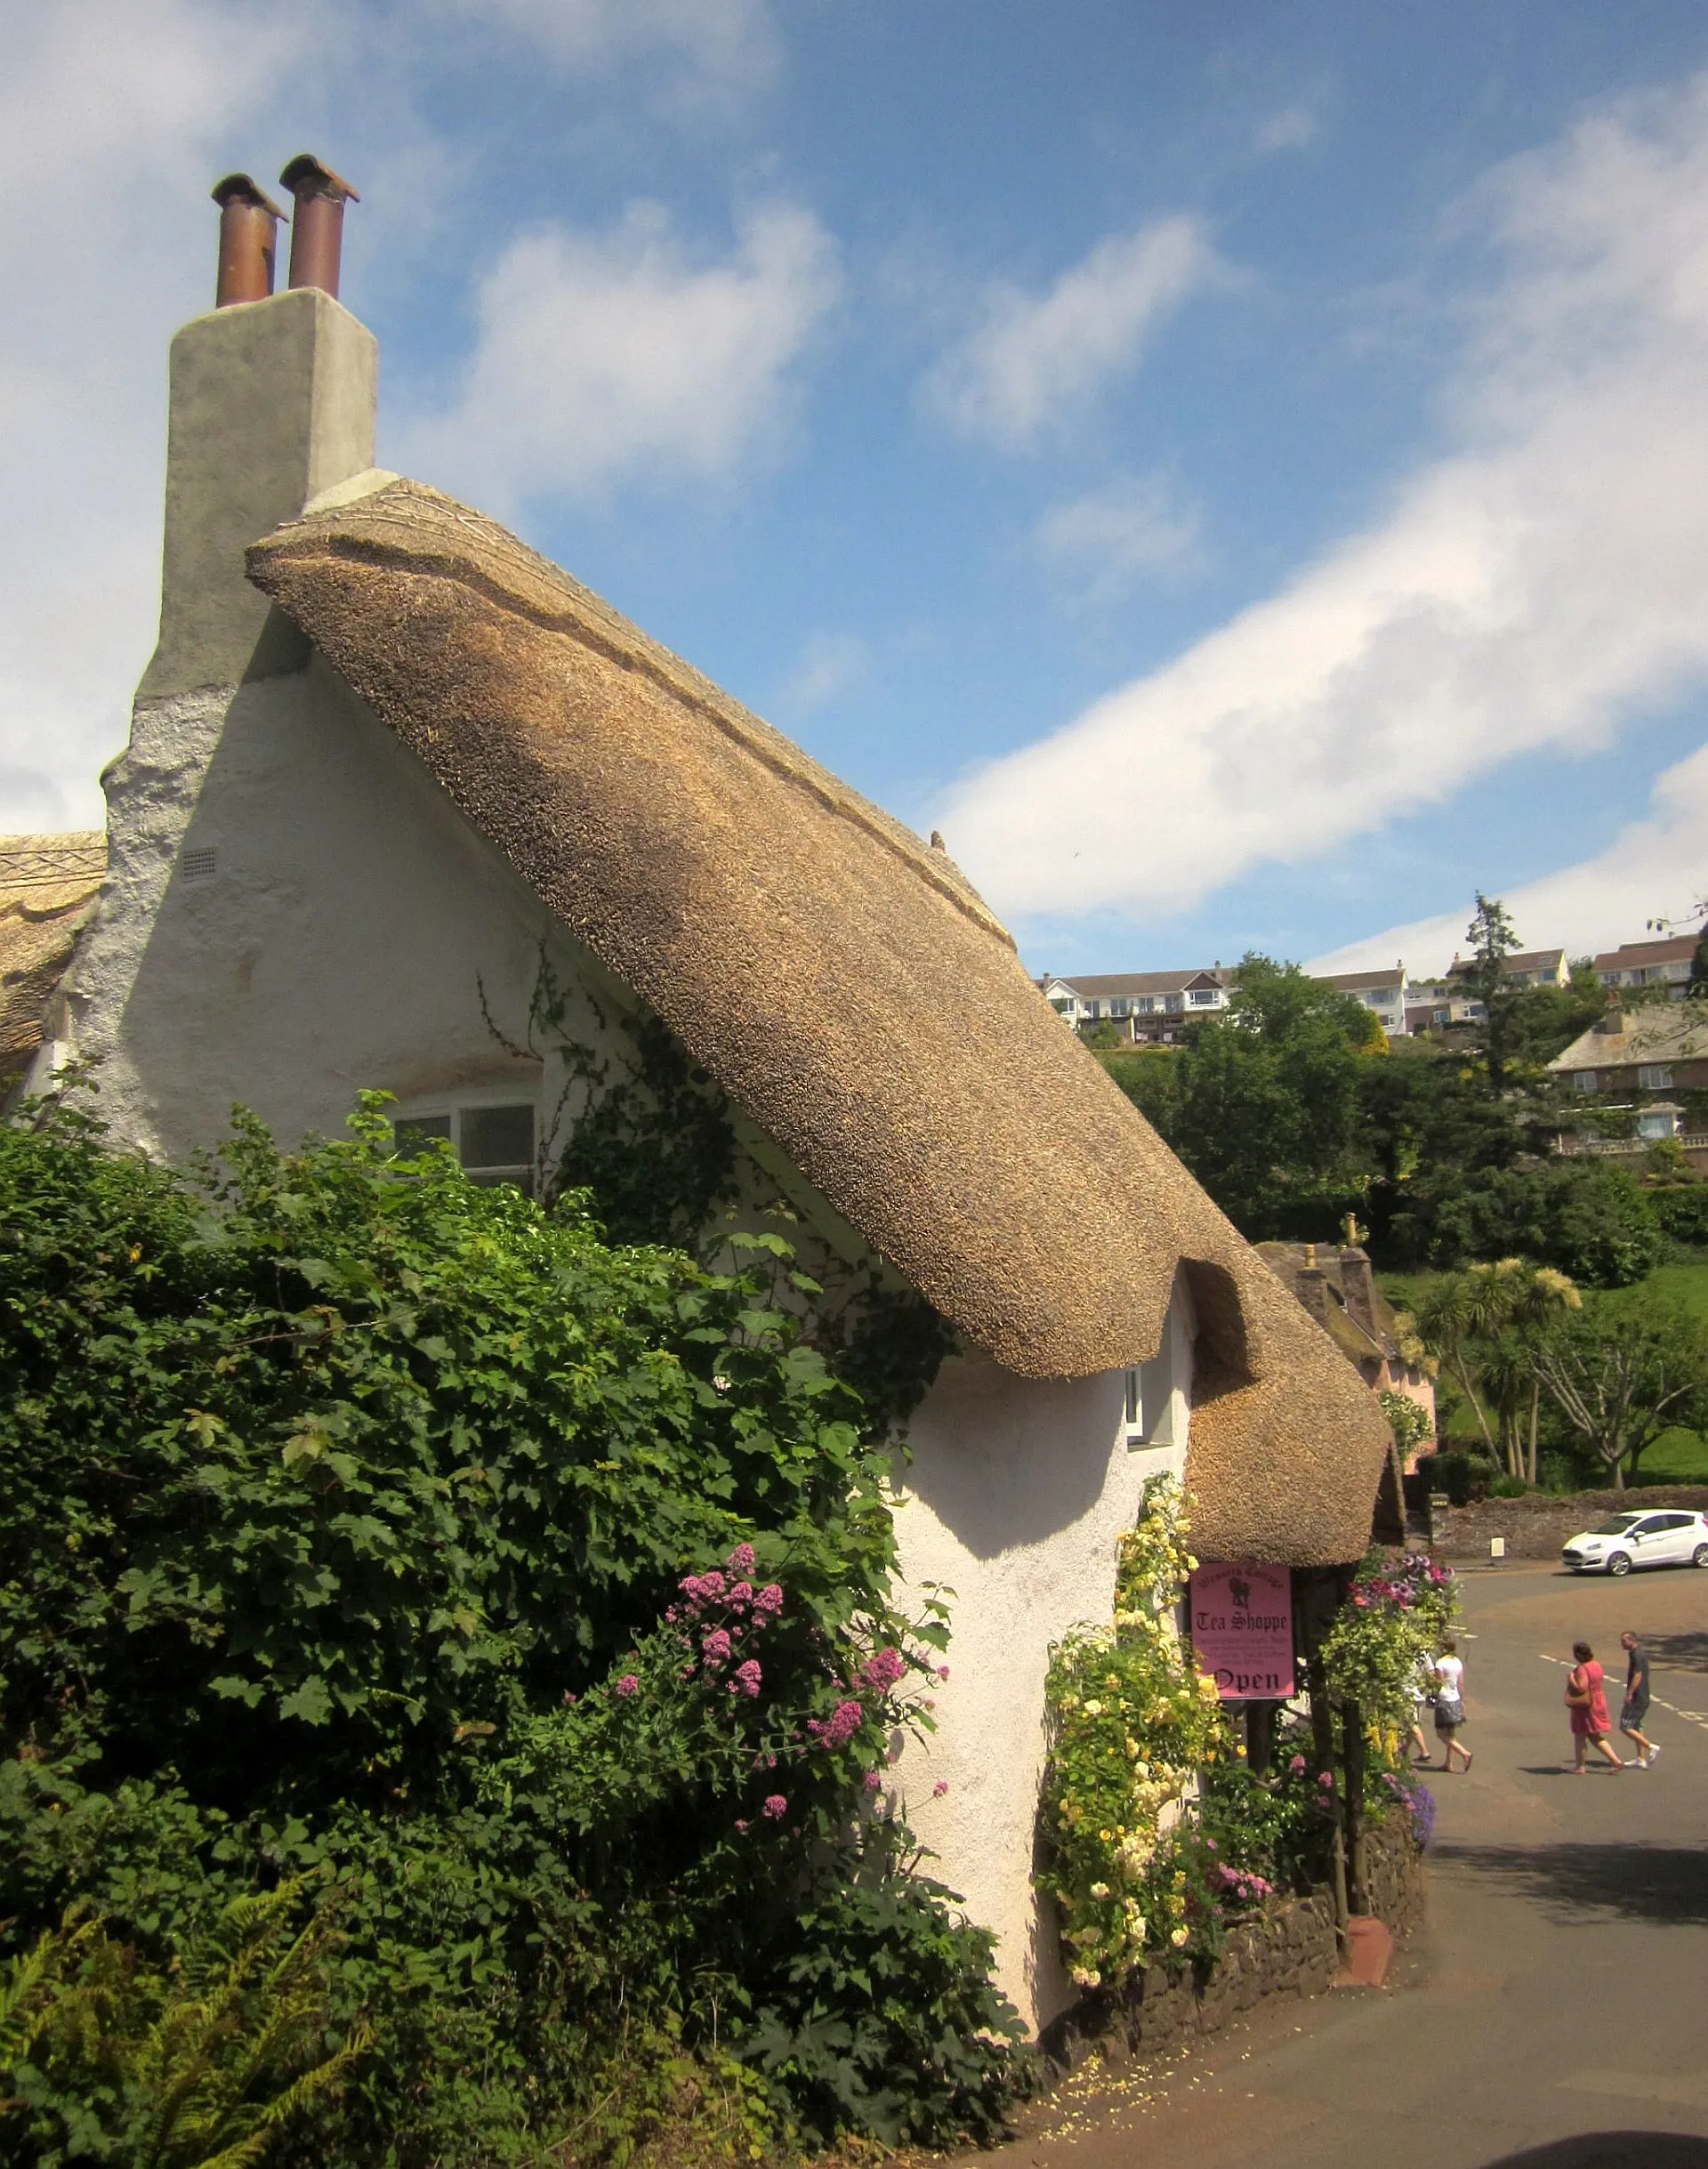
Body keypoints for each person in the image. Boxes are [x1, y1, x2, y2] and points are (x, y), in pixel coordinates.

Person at [1566, 1640, 1624, 1772]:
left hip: (1586, 1705)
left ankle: (1580, 1766)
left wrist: (1571, 1680)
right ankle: (1615, 1760)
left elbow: (1582, 1687)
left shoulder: (1582, 1669)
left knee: (1580, 1734)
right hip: (1598, 1700)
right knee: (1594, 1735)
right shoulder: (1596, 1665)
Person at [1620, 1631, 1660, 1768]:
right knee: (1637, 1726)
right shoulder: (1637, 1653)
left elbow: (1638, 1676)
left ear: (1631, 1640)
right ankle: (1641, 1759)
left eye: (1624, 1641)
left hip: (1638, 1697)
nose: (1622, 1644)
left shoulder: (1637, 1655)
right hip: (1643, 1696)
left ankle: (1651, 1747)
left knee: (1625, 1726)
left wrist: (1629, 1693)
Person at [1432, 1639, 1471, 1772]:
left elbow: (1439, 1682)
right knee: (1451, 1733)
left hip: (1444, 1699)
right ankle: (1449, 1764)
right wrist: (1462, 1700)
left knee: (1441, 1734)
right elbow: (1461, 1683)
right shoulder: (1457, 1662)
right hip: (1455, 1699)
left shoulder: (1440, 1663)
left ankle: (1464, 1753)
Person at [1408, 1649, 1435, 1765]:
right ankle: (1404, 1748)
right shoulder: (1424, 1654)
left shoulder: (1403, 1653)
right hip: (1419, 1694)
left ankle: (1424, 1752)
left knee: (1411, 1723)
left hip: (1407, 1693)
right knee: (1414, 1723)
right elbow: (1431, 1673)